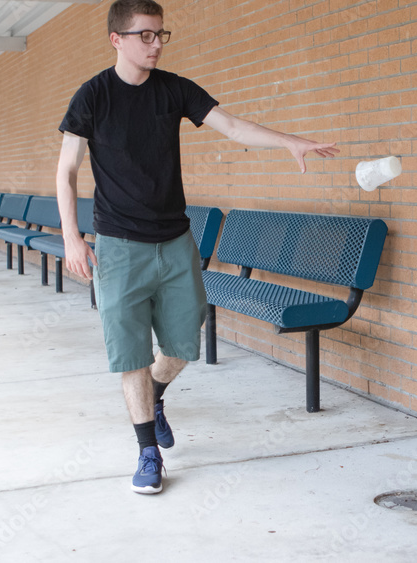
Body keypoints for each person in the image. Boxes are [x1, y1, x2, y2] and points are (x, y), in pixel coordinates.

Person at [56, 0, 339, 495]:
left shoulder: (175, 90)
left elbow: (232, 126)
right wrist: (71, 236)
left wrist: (290, 141)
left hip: (174, 239)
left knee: (185, 340)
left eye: (162, 34)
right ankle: (148, 452)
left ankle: (157, 395)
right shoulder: (93, 97)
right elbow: (67, 170)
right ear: (116, 39)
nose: (157, 44)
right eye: (146, 35)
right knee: (131, 356)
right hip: (119, 245)